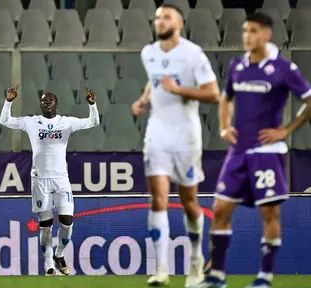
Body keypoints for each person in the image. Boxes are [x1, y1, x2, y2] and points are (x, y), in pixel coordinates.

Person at [195, 12, 311, 288]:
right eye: (246, 30)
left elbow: (309, 100)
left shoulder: (283, 68)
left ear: (267, 35)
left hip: (267, 153)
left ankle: (264, 278)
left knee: (269, 214)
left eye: (254, 31)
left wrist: (286, 129)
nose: (248, 35)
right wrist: (224, 126)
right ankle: (217, 277)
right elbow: (226, 98)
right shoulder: (238, 66)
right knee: (220, 209)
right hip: (238, 152)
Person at [132, 3, 220, 287]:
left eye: (166, 16)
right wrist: (145, 99)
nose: (160, 21)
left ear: (180, 22)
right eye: (157, 17)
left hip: (186, 137)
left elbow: (213, 93)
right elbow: (154, 81)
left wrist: (179, 90)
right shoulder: (149, 53)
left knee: (189, 203)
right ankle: (161, 270)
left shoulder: (193, 54)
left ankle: (195, 262)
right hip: (157, 134)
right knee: (157, 199)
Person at [0, 85, 99, 276]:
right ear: (41, 104)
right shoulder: (31, 122)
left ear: (56, 104)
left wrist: (92, 105)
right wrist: (9, 101)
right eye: (44, 100)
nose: (47, 102)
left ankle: (59, 254)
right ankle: (49, 266)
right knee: (46, 226)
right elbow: (5, 120)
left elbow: (93, 122)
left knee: (67, 222)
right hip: (40, 180)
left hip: (61, 179)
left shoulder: (66, 122)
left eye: (50, 100)